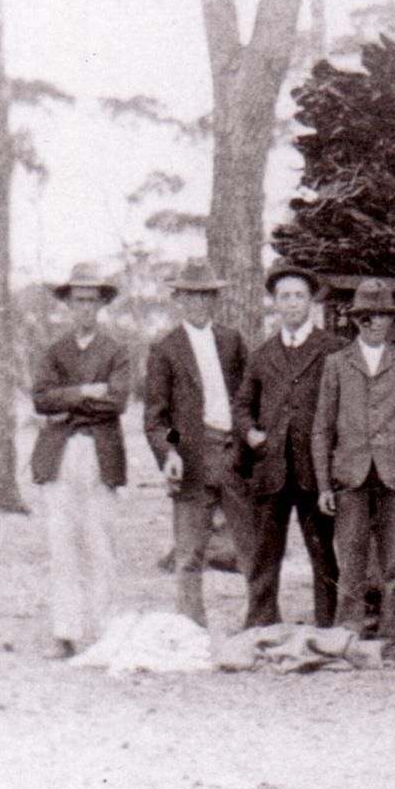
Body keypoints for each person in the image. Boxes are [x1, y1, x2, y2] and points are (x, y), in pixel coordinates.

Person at [232, 261, 345, 629]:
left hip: (316, 469)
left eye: (299, 296)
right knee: (266, 552)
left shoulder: (333, 349)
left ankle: (327, 624)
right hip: (273, 469)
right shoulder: (262, 353)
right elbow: (242, 405)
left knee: (322, 550)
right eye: (285, 297)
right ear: (275, 304)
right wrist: (250, 433)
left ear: (312, 302)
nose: (292, 303)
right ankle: (260, 622)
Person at [311, 278, 395, 638]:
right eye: (366, 317)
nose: (375, 324)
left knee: (394, 561)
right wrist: (323, 484)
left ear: (391, 321)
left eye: (381, 317)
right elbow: (322, 428)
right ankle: (349, 631)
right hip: (351, 474)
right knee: (351, 558)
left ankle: (392, 632)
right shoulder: (337, 364)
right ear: (356, 321)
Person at [29, 263, 131, 658]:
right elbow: (41, 398)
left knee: (100, 541)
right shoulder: (55, 350)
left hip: (100, 451)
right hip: (58, 454)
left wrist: (67, 402)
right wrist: (88, 391)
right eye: (77, 301)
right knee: (62, 542)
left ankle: (104, 631)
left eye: (91, 300)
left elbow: (117, 401)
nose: (84, 308)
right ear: (68, 305)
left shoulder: (116, 350)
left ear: (101, 304)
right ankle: (65, 632)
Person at [144, 258, 252, 629]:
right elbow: (160, 420)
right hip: (192, 455)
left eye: (205, 296)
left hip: (233, 452)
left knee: (251, 545)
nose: (198, 304)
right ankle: (191, 626)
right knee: (190, 552)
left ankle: (260, 622)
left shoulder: (232, 341)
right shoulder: (165, 349)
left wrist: (247, 441)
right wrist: (171, 450)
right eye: (190, 296)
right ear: (179, 299)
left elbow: (248, 399)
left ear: (214, 299)